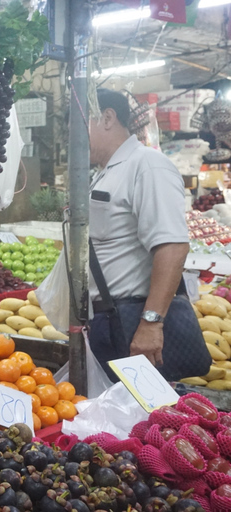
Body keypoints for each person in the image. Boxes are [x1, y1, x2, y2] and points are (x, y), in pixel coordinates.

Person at [88, 88, 210, 379]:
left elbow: (172, 247)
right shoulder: (105, 172)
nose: (69, 139)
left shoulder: (148, 166)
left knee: (144, 418)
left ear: (107, 118)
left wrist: (151, 323)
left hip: (132, 321)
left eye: (77, 125)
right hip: (107, 321)